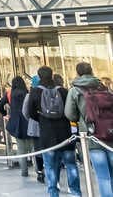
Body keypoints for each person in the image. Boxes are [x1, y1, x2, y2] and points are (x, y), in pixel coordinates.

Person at [25, 66, 80, 197]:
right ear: (52, 75)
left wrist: (42, 118)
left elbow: (30, 112)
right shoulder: (63, 91)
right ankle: (76, 193)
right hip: (66, 135)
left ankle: (53, 193)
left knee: (50, 167)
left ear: (39, 76)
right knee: (71, 165)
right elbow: (70, 111)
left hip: (47, 135)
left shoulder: (35, 92)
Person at [65, 62, 113, 197]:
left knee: (103, 176)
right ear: (91, 71)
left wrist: (80, 119)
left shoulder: (75, 90)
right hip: (110, 135)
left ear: (77, 73)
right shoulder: (103, 86)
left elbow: (69, 113)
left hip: (91, 137)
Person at [0, 76, 32, 177]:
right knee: (33, 147)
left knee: (21, 148)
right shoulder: (27, 93)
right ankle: (39, 170)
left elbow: (0, 104)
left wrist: (4, 114)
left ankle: (24, 171)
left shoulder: (9, 93)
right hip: (28, 122)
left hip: (16, 123)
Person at [23, 75, 46, 183]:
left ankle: (40, 171)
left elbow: (25, 111)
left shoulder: (30, 95)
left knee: (38, 149)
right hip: (48, 126)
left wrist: (31, 119)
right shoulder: (48, 92)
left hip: (35, 126)